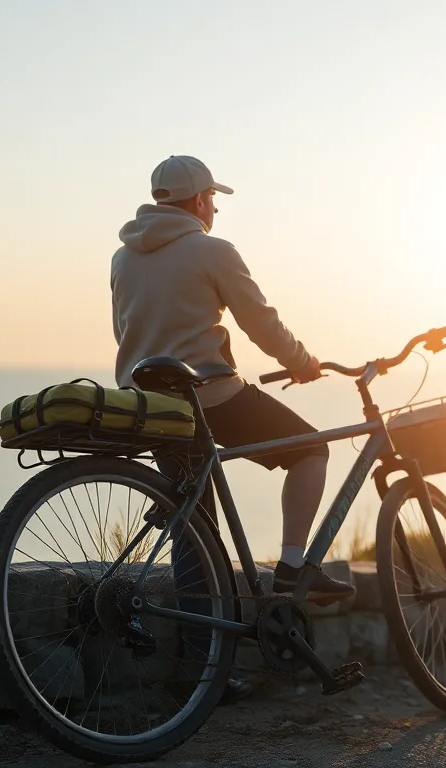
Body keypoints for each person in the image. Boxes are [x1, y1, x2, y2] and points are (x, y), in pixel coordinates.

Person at [110, 155, 355, 702]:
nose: (215, 207)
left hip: (153, 406)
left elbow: (129, 330)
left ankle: (201, 676)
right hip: (212, 396)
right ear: (198, 200)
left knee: (193, 535)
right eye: (213, 199)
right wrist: (302, 361)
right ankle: (292, 569)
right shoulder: (212, 250)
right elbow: (259, 320)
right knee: (311, 450)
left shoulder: (122, 258)